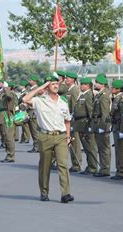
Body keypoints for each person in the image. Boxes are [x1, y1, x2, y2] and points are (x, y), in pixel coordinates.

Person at [22, 75, 74, 203]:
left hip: (61, 136)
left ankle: (65, 193)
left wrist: (68, 136)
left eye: (57, 84)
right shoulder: (39, 101)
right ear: (47, 86)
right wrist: (42, 87)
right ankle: (44, 192)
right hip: (45, 136)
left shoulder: (63, 102)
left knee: (63, 164)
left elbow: (67, 121)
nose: (56, 86)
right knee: (45, 166)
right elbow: (25, 98)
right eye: (52, 84)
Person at [74, 77, 98, 175]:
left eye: (82, 84)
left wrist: (90, 125)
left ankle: (92, 167)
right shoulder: (83, 95)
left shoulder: (88, 95)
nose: (80, 86)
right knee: (86, 147)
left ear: (87, 85)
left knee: (90, 147)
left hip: (86, 123)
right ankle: (90, 166)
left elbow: (90, 111)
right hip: (80, 124)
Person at [91, 73, 112, 177]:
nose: (95, 84)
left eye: (97, 82)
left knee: (104, 149)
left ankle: (105, 169)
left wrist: (104, 128)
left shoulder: (104, 96)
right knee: (101, 148)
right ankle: (103, 168)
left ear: (102, 84)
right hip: (98, 123)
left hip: (102, 124)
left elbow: (105, 113)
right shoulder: (100, 94)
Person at [110, 79, 123, 180]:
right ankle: (119, 170)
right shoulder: (116, 98)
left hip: (119, 127)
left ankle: (122, 171)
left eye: (113, 88)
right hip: (116, 126)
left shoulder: (122, 99)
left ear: (118, 89)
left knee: (121, 150)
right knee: (118, 150)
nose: (111, 89)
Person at [65, 71, 82, 172]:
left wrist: (72, 117)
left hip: (72, 119)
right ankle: (74, 163)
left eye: (68, 78)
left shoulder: (74, 90)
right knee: (71, 142)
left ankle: (77, 164)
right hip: (68, 118)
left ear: (73, 80)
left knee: (74, 143)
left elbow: (75, 105)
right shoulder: (69, 90)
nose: (66, 79)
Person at [0, 82, 18, 163]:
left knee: (9, 137)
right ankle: (8, 154)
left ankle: (11, 155)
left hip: (8, 116)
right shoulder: (4, 94)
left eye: (6, 87)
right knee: (5, 136)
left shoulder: (12, 94)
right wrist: (2, 91)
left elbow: (9, 96)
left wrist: (6, 89)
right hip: (2, 116)